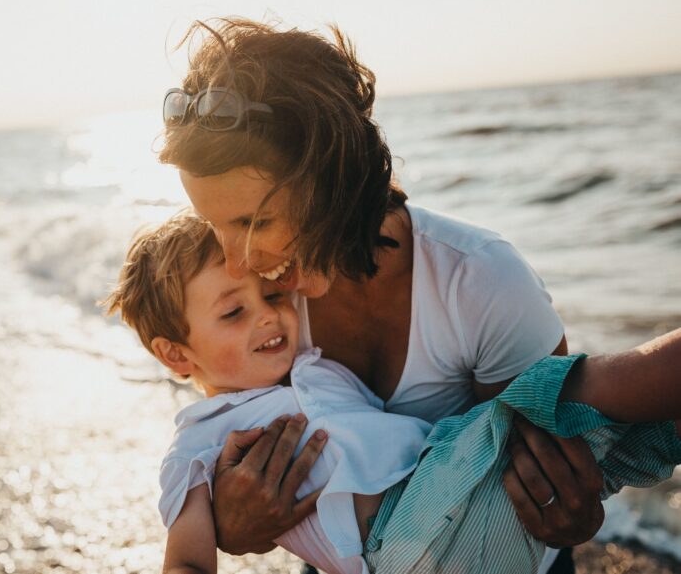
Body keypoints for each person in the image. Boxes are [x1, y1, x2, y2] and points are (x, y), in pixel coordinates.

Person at [157, 18, 602, 573]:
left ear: (333, 178)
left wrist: (576, 513)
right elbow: (235, 429)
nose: (237, 260)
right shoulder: (260, 303)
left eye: (254, 221)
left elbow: (551, 471)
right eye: (214, 225)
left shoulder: (481, 282)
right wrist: (234, 524)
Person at [103, 212, 681, 574]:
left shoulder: (315, 365)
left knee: (625, 436)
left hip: (465, 508)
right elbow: (186, 559)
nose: (269, 317)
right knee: (564, 393)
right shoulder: (200, 441)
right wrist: (227, 529)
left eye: (272, 296)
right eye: (233, 311)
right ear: (176, 354)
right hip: (400, 538)